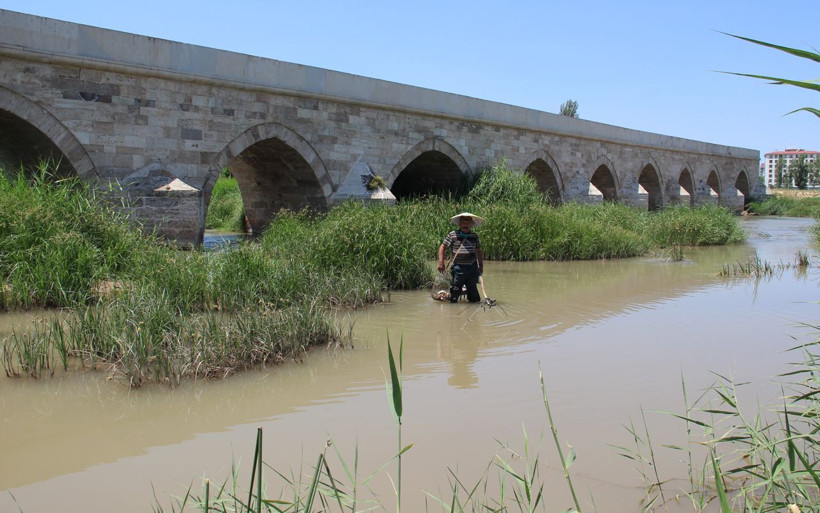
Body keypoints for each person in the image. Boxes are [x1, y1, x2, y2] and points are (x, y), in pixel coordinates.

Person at [438, 212, 484, 303]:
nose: (465, 224)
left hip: (472, 269)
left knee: (475, 298)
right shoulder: (453, 235)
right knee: (454, 295)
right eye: (463, 222)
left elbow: (478, 251)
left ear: (471, 225)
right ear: (459, 224)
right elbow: (442, 247)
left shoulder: (474, 237)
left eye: (468, 222)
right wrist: (441, 262)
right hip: (458, 268)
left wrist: (481, 266)